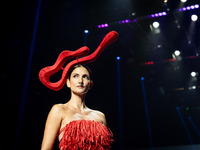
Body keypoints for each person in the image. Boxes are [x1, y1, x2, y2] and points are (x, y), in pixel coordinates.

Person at [41, 64, 113, 150]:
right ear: (68, 82)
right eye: (75, 76)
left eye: (85, 77)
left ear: (90, 84)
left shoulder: (100, 116)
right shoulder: (59, 110)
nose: (80, 81)